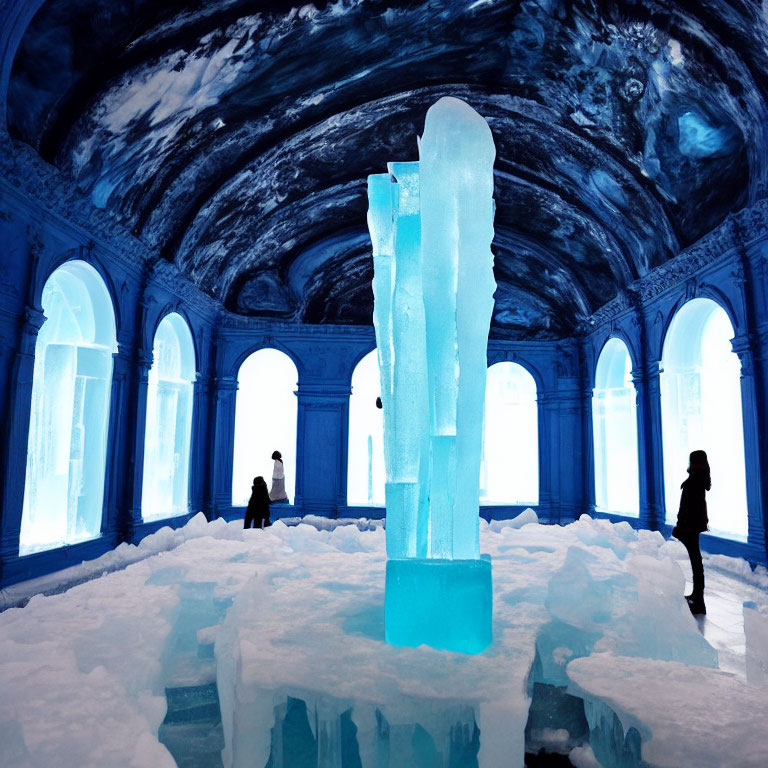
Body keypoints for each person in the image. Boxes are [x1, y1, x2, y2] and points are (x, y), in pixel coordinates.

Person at [672, 450, 710, 615]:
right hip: (693, 526)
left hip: (690, 527)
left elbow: (689, 508)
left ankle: (698, 601)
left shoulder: (695, 480)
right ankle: (697, 597)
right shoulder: (700, 478)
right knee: (696, 562)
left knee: (696, 562)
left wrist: (682, 526)